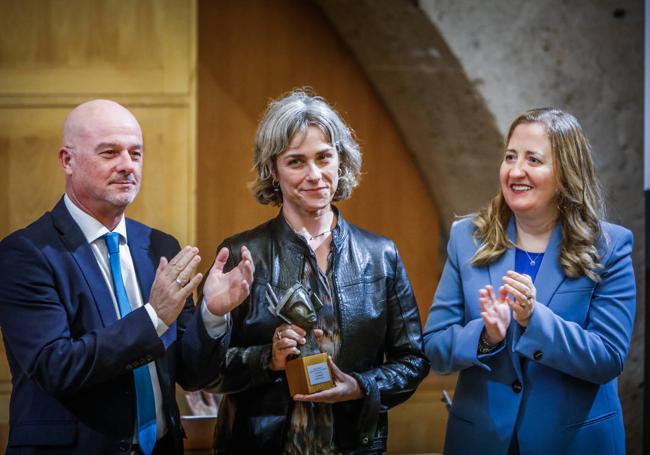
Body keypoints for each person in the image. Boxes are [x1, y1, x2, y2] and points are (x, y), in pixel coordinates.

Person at [0, 100, 254, 454]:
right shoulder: (25, 253)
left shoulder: (159, 245)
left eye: (136, 153)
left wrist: (212, 314)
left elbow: (192, 374)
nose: (126, 165)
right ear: (67, 160)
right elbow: (56, 367)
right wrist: (153, 318)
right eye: (109, 152)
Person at [208, 89, 429, 454]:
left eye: (324, 157)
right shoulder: (241, 254)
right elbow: (206, 371)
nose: (314, 175)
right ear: (273, 171)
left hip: (353, 444)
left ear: (340, 162)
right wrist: (268, 358)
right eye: (296, 161)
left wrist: (360, 386)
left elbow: (413, 360)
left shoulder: (380, 254)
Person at [423, 108, 636, 454]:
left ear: (566, 173)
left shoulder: (609, 247)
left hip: (573, 443)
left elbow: (608, 357)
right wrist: (485, 336)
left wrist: (533, 319)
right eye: (510, 157)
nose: (516, 171)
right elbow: (434, 348)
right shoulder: (466, 238)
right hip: (482, 440)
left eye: (533, 160)